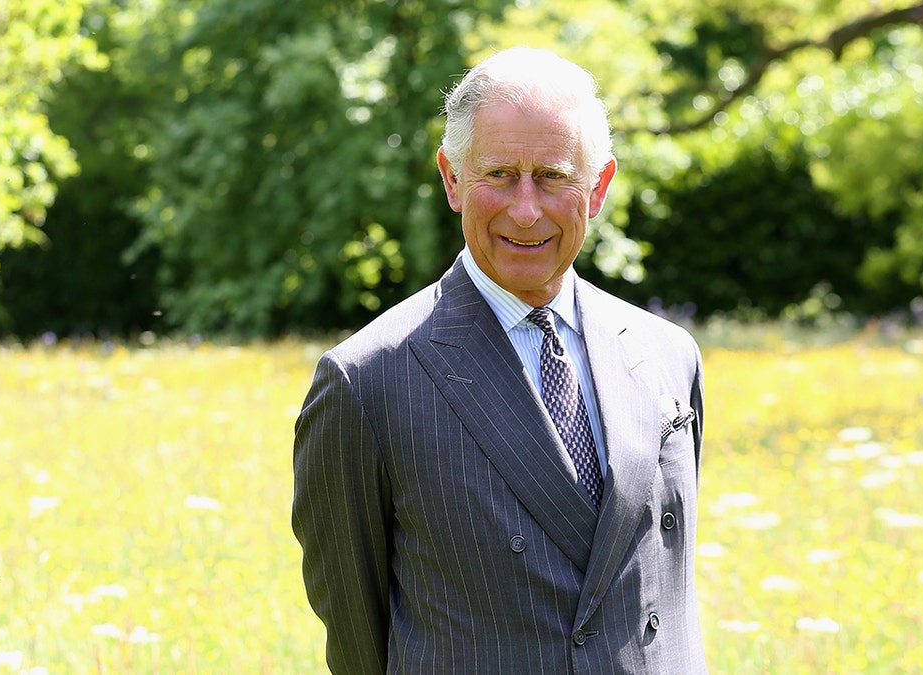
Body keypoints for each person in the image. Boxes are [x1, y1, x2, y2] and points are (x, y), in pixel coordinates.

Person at [292, 47, 707, 674]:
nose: (526, 209)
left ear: (597, 188)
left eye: (553, 175)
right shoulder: (367, 381)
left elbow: (665, 589)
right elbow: (357, 637)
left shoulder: (668, 355)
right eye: (499, 175)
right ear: (453, 179)